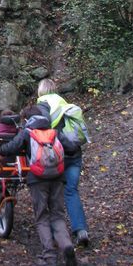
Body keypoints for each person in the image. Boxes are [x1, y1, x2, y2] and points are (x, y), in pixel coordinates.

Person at [0, 106, 77, 266]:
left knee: (42, 217)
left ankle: (50, 259)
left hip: (37, 180)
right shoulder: (54, 131)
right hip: (57, 177)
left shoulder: (27, 132)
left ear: (26, 120)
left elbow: (10, 148)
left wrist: (2, 150)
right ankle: (66, 245)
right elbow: (71, 148)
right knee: (57, 215)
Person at [37, 78, 89, 247]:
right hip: (74, 153)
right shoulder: (64, 103)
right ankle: (81, 230)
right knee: (71, 191)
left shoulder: (42, 105)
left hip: (56, 155)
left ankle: (56, 233)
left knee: (53, 192)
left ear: (41, 90)